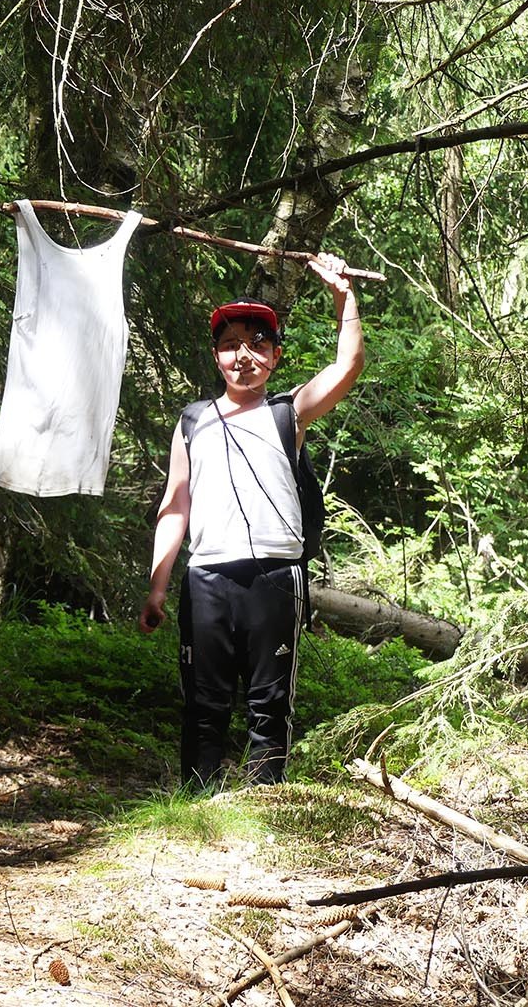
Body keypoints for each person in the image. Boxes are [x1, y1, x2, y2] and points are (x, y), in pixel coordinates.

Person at [138, 253, 364, 788]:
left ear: (275, 357)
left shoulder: (289, 411)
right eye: (230, 344)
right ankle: (195, 807)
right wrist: (157, 587)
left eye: (257, 344)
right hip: (207, 577)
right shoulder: (193, 422)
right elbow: (176, 504)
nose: (244, 355)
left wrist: (344, 296)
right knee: (204, 701)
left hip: (275, 576)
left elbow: (348, 365)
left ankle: (264, 804)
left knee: (270, 701)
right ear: (216, 355)